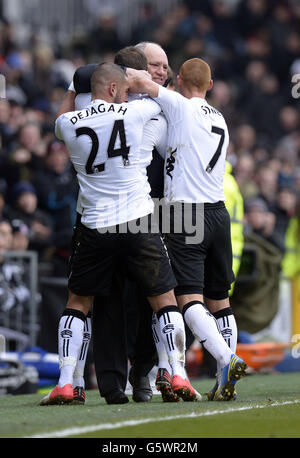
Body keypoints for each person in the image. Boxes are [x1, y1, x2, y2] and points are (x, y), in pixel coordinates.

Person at [40, 62, 197, 406]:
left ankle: (66, 384)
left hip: (95, 227)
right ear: (114, 89)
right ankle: (179, 374)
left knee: (78, 302)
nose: (129, 94)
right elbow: (176, 104)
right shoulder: (135, 113)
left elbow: (58, 119)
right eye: (124, 89)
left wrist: (72, 87)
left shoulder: (69, 123)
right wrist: (145, 82)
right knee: (164, 299)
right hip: (137, 221)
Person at [127, 57, 248, 401]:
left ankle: (227, 360)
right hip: (218, 212)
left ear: (179, 80)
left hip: (185, 215)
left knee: (187, 298)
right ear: (210, 86)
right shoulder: (220, 118)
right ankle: (227, 380)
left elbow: (141, 83)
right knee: (220, 300)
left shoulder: (179, 106)